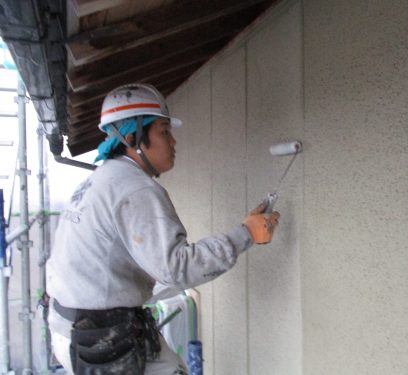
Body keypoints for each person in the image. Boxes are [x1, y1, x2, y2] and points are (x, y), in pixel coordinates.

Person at [46, 83, 280, 374]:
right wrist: (246, 233)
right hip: (99, 338)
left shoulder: (103, 179)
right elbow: (177, 268)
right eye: (164, 131)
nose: (173, 142)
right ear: (133, 137)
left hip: (77, 326)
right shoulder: (135, 189)